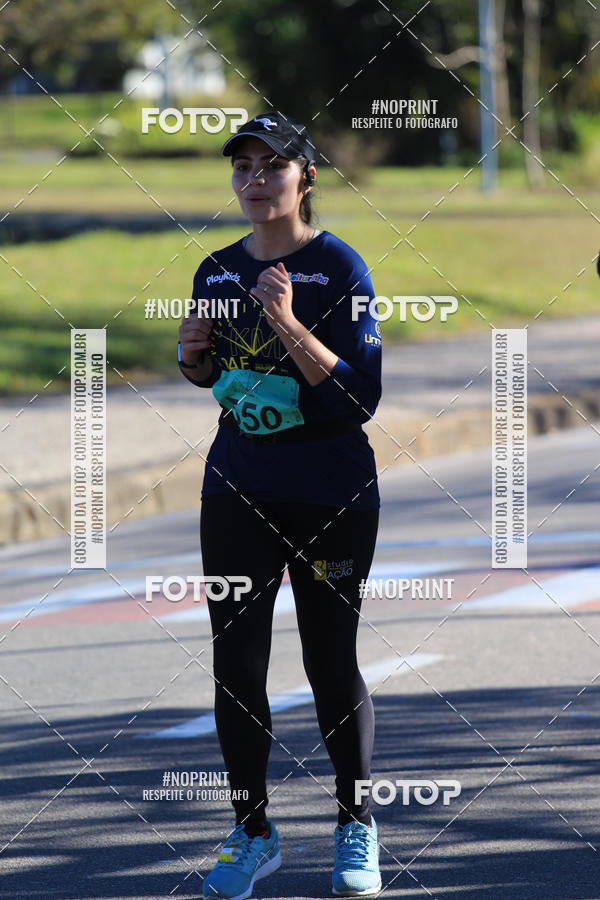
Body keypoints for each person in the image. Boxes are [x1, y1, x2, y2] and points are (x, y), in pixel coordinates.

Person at [178, 111, 383, 900]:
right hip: (238, 484)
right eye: (243, 167)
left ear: (306, 179)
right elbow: (216, 382)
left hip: (330, 488)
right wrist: (194, 360)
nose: (255, 180)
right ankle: (251, 832)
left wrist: (288, 322)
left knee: (330, 662)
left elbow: (359, 397)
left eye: (272, 166)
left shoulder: (341, 267)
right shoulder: (216, 269)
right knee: (237, 664)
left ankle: (356, 823)